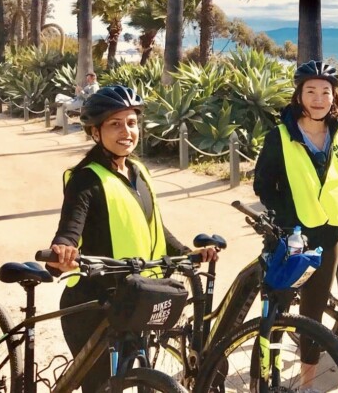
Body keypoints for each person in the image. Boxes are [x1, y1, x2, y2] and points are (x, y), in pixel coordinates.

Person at [46, 85, 217, 391]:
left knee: (140, 378)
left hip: (136, 298)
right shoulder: (86, 178)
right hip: (93, 304)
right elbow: (71, 225)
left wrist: (188, 252)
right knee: (101, 386)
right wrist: (64, 249)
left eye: (131, 122)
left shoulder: (138, 171)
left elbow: (154, 227)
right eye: (115, 124)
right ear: (95, 132)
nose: (126, 131)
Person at [253, 61, 338, 382]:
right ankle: (267, 380)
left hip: (329, 234)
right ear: (299, 95)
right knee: (276, 310)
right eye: (311, 91)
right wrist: (287, 218)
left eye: (325, 91)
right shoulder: (280, 135)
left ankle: (307, 383)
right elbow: (263, 185)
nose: (319, 98)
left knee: (314, 313)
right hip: (289, 234)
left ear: (334, 97)